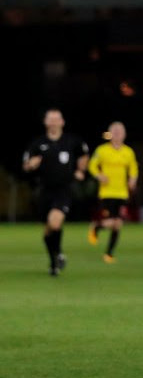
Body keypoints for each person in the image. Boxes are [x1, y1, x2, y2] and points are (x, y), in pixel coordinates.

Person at [22, 108, 89, 276]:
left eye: (56, 119)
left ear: (62, 122)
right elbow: (26, 164)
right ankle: (55, 260)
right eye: (50, 119)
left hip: (64, 190)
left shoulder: (71, 141)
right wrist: (31, 165)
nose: (53, 122)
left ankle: (56, 256)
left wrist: (81, 170)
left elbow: (84, 155)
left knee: (55, 222)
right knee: (47, 231)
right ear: (45, 122)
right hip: (44, 191)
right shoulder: (38, 143)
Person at [87, 121, 139, 263]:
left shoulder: (128, 152)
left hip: (122, 193)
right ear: (110, 134)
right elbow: (92, 165)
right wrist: (99, 175)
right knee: (111, 222)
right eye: (114, 132)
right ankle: (96, 227)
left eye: (120, 132)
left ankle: (109, 253)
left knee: (118, 224)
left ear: (124, 135)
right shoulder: (102, 150)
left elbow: (134, 169)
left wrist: (133, 180)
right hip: (106, 193)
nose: (117, 134)